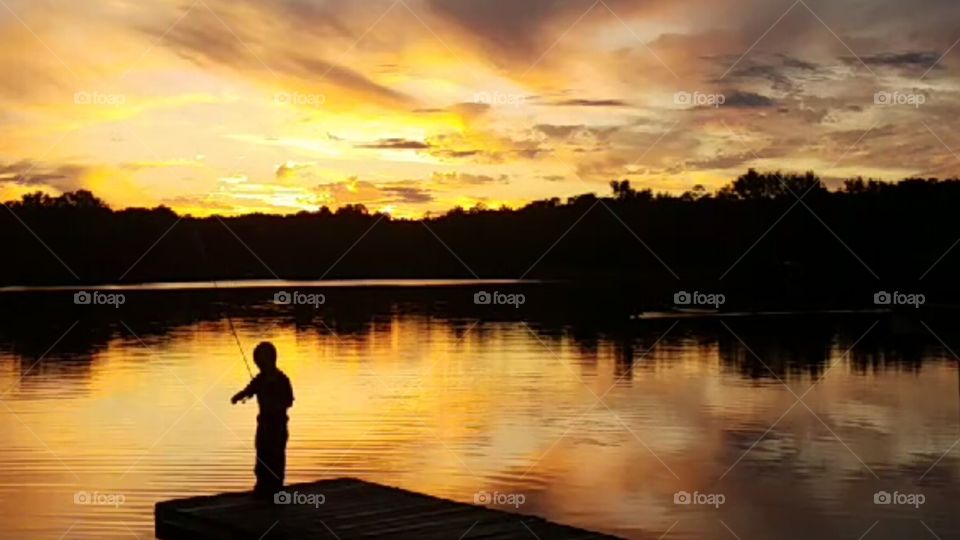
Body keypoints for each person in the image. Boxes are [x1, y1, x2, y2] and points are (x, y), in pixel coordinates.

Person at [231, 341, 294, 497]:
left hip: (278, 426)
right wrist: (238, 396)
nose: (259, 365)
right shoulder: (260, 379)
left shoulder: (282, 379)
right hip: (264, 425)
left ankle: (276, 488)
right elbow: (249, 390)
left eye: (261, 361)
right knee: (262, 455)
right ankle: (262, 487)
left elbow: (289, 400)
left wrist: (276, 406)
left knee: (277, 457)